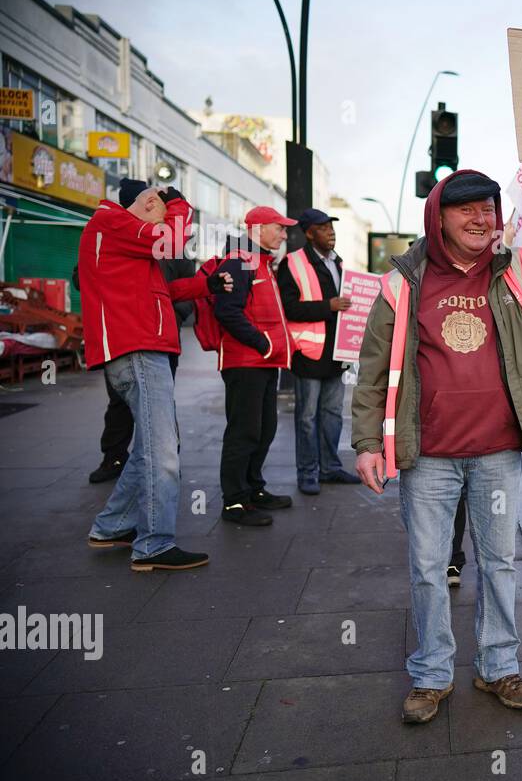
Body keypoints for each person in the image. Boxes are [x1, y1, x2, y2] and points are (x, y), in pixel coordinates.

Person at [352, 150, 522, 724]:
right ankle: (431, 674)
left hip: (497, 450)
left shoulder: (516, 269)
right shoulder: (402, 283)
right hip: (428, 455)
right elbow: (373, 370)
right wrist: (367, 444)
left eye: (488, 210)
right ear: (439, 217)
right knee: (429, 568)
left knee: (499, 563)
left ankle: (498, 666)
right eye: (467, 210)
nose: (481, 219)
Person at [79, 179, 232, 571]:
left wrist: (205, 284)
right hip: (139, 350)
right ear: (148, 203)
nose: (167, 222)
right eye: (162, 213)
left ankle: (112, 526)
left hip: (142, 349)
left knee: (154, 447)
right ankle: (153, 544)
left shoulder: (121, 237)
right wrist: (180, 205)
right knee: (163, 451)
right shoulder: (111, 221)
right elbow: (170, 239)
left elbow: (163, 289)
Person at [78, 209, 198, 484]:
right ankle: (116, 457)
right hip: (128, 341)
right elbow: (82, 276)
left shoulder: (169, 248)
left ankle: (166, 461)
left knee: (160, 412)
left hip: (162, 340)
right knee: (123, 406)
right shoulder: (116, 232)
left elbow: (180, 288)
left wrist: (171, 317)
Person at [212, 206, 296, 527]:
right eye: (279, 228)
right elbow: (227, 311)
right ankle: (234, 501)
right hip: (245, 362)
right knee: (244, 432)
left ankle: (252, 489)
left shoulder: (260, 261)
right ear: (258, 228)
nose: (284, 234)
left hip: (264, 361)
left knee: (264, 428)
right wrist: (263, 343)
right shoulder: (239, 262)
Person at [275, 207, 362, 494]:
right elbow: (288, 308)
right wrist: (329, 306)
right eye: (323, 229)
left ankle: (330, 468)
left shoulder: (338, 262)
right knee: (307, 418)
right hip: (309, 353)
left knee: (333, 415)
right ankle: (308, 473)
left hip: (337, 353)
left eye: (331, 228)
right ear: (310, 233)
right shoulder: (292, 263)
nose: (330, 233)